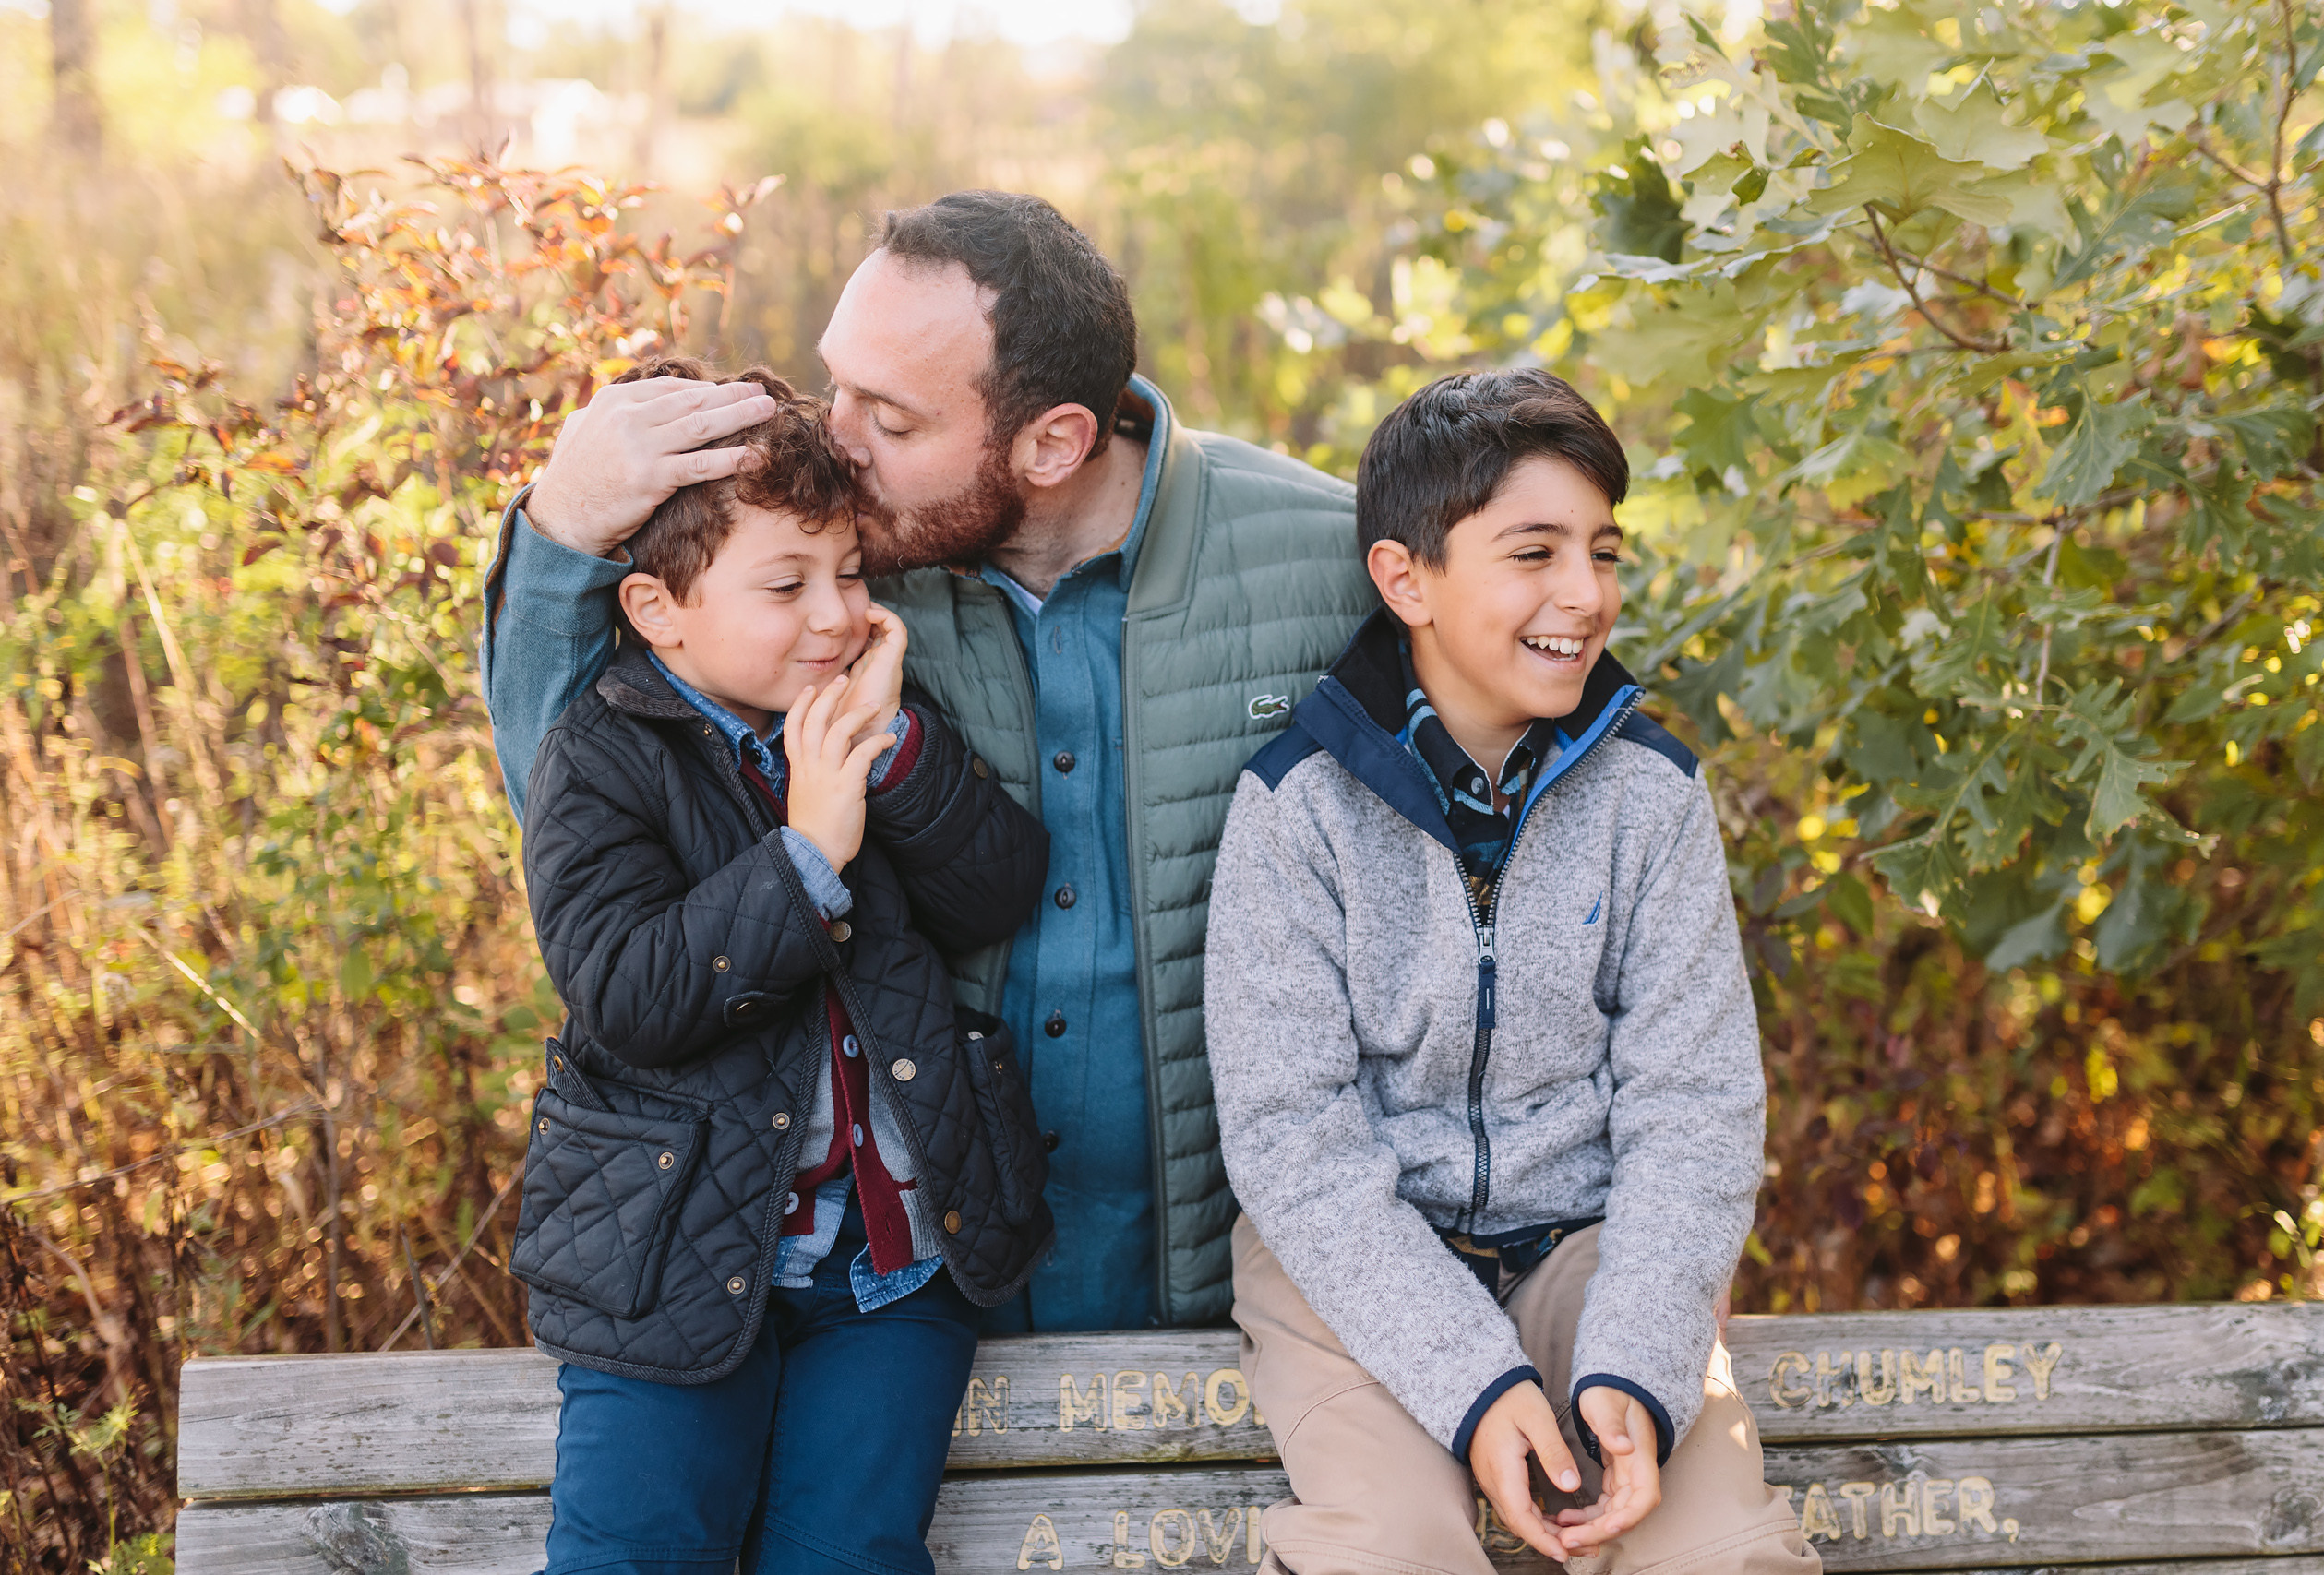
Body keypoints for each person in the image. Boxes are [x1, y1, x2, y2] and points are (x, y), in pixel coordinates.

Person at [483, 191, 1374, 1333]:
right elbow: (588, 789)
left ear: (1052, 441)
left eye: (890, 420)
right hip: (912, 1305)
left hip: (1239, 1302)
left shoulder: (1330, 563)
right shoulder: (828, 575)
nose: (836, 440)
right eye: (835, 383)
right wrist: (562, 529)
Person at [1203, 369, 1815, 1574]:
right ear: (1405, 578)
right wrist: (1479, 1394)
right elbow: (1293, 1146)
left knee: (1717, 1551)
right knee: (1394, 1550)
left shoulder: (1653, 799)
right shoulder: (1296, 811)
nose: (1584, 596)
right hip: (1351, 1254)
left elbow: (1694, 1111)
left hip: (1588, 1242)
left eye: (1604, 549)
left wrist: (1637, 1366)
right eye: (1533, 552)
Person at [509, 360, 1054, 1575]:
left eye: (850, 573)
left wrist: (899, 747)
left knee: (851, 1549)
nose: (834, 614)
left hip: (894, 1265)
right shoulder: (599, 756)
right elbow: (630, 991)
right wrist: (809, 848)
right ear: (660, 610)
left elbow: (995, 888)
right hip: (671, 1258)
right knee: (636, 1548)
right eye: (785, 583)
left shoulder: (864, 714)